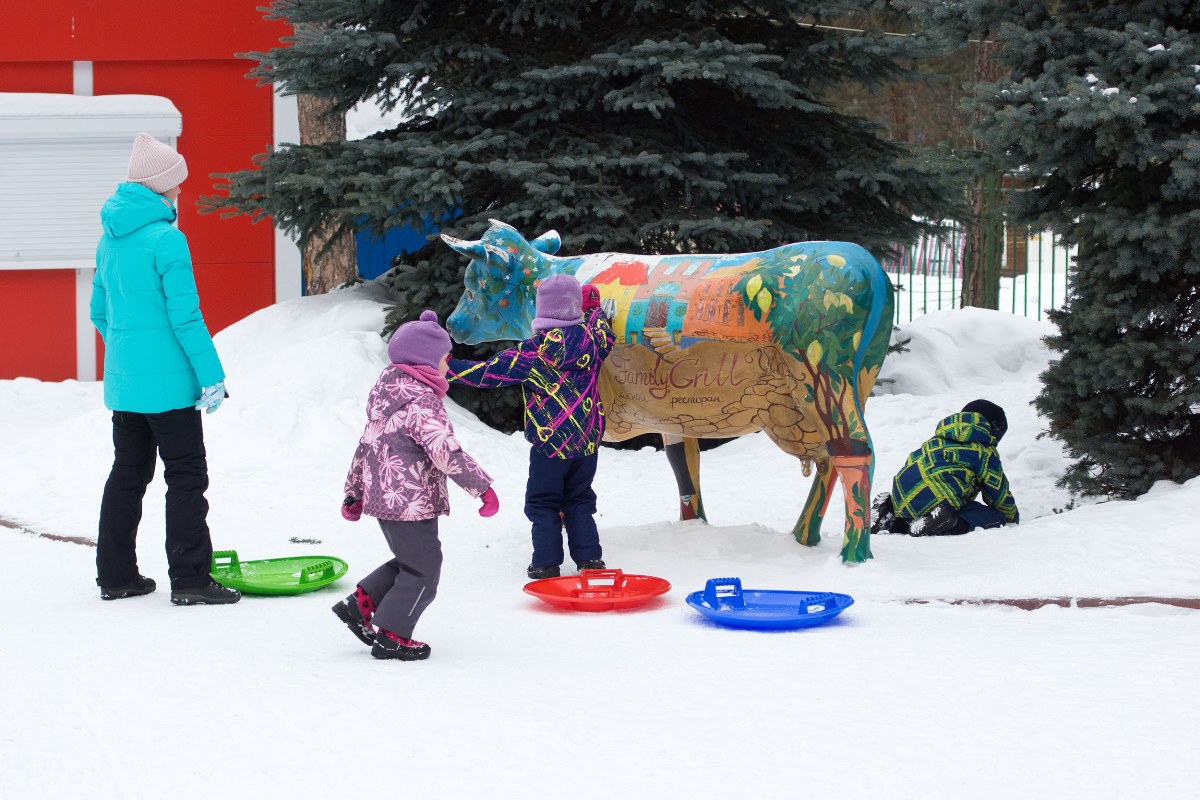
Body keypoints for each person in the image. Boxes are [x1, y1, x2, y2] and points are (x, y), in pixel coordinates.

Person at [91, 132, 240, 606]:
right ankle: (192, 579)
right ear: (162, 187)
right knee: (186, 475)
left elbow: (99, 311)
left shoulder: (108, 239)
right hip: (171, 389)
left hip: (124, 387)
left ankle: (116, 576)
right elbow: (187, 317)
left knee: (127, 474)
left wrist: (128, 356)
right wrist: (211, 376)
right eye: (177, 185)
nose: (182, 192)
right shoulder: (167, 240)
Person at [333, 310, 498, 661]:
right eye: (444, 358)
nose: (447, 365)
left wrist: (355, 492)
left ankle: (361, 604)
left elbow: (364, 447)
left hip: (385, 500)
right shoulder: (421, 401)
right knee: (424, 568)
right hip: (411, 501)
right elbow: (444, 449)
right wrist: (481, 487)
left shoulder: (386, 397)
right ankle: (393, 634)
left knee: (411, 560)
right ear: (425, 361)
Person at [447, 275, 615, 579]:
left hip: (550, 444)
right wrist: (593, 310)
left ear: (542, 312)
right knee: (579, 498)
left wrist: (448, 368)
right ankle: (590, 559)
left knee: (543, 502)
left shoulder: (533, 352)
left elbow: (488, 372)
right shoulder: (593, 340)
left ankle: (546, 563)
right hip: (587, 441)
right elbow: (605, 331)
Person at [872, 399, 1019, 536]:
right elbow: (998, 493)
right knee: (992, 516)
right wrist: (1010, 516)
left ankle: (892, 517)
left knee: (915, 512)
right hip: (938, 497)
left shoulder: (935, 441)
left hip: (902, 495)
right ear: (995, 430)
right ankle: (944, 522)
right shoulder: (983, 451)